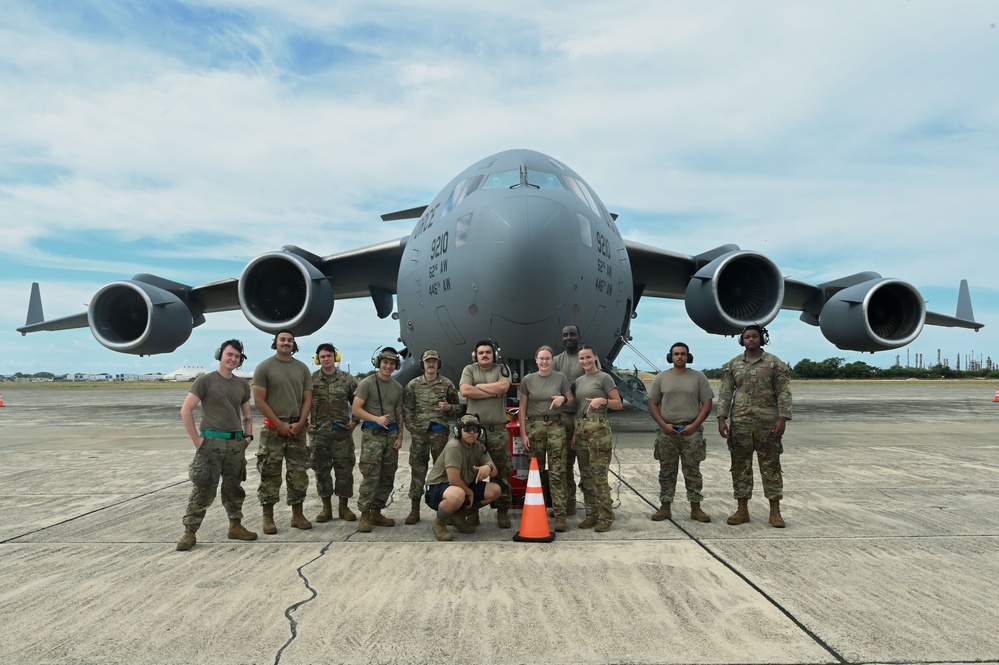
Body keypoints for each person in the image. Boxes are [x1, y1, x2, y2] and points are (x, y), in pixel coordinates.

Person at [176, 339, 257, 551]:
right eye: (229, 354)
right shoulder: (205, 381)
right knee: (203, 488)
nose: (233, 359)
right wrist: (197, 440)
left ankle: (235, 526)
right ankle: (189, 532)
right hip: (210, 443)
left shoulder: (241, 385)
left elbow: (247, 414)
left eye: (237, 356)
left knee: (234, 488)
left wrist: (247, 438)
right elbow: (186, 410)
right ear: (220, 355)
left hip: (235, 444)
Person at [717, 324, 792, 528]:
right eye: (747, 337)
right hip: (740, 423)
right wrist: (721, 418)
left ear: (762, 339)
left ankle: (775, 512)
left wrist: (783, 418)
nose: (751, 339)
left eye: (755, 336)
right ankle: (742, 510)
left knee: (771, 467)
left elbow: (784, 392)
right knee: (740, 467)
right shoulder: (733, 365)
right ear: (742, 340)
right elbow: (725, 393)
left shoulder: (774, 363)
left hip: (768, 423)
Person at [253, 330, 313, 534]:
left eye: (289, 340)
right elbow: (259, 400)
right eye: (282, 340)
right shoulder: (264, 367)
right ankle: (268, 518)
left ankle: (297, 515)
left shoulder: (302, 368)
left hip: (297, 428)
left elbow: (307, 398)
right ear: (275, 343)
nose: (286, 343)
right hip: (272, 429)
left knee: (298, 473)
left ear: (294, 344)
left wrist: (301, 422)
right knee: (270, 474)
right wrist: (278, 423)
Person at [647, 342, 714, 523]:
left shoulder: (698, 378)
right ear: (671, 356)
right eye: (676, 354)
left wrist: (694, 426)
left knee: (692, 471)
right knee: (666, 472)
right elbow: (652, 404)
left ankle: (696, 507)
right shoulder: (660, 378)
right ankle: (665, 507)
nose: (679, 357)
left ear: (688, 356)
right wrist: (663, 425)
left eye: (683, 354)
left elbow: (707, 404)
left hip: (691, 431)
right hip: (667, 431)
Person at [518, 345, 573, 532]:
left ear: (552, 360)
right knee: (536, 472)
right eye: (541, 358)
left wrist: (562, 400)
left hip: (556, 426)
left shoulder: (560, 378)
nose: (544, 361)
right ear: (536, 360)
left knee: (558, 472)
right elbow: (522, 408)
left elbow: (572, 399)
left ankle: (560, 515)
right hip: (534, 427)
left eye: (547, 358)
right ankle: (537, 509)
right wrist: (523, 434)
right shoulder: (528, 380)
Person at [459, 339, 513, 528]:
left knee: (502, 472)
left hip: (497, 430)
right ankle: (473, 512)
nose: (484, 355)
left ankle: (503, 511)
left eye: (488, 352)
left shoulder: (502, 369)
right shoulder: (469, 370)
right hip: (475, 432)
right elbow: (465, 390)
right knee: (472, 473)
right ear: (476, 355)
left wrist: (479, 387)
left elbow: (504, 388)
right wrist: (492, 391)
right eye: (481, 352)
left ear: (494, 354)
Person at [402, 349, 460, 525]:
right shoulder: (413, 385)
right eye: (428, 361)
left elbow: (458, 408)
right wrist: (412, 428)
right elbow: (407, 409)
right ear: (423, 364)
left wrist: (448, 407)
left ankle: (444, 510)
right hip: (419, 435)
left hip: (439, 434)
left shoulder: (447, 384)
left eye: (434, 361)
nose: (431, 364)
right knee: (417, 470)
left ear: (438, 364)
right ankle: (414, 510)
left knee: (442, 473)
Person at [352, 346, 405, 532]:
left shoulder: (397, 387)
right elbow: (356, 409)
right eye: (385, 362)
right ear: (378, 363)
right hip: (373, 435)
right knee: (371, 475)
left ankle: (376, 512)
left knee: (387, 476)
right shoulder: (367, 383)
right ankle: (364, 515)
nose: (388, 366)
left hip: (391, 436)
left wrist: (400, 437)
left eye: (392, 363)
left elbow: (399, 414)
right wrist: (376, 418)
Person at [423, 414, 500, 541]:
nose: (472, 432)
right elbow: (453, 479)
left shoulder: (478, 446)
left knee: (495, 490)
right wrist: (469, 492)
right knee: (457, 494)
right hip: (438, 488)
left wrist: (488, 467)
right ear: (458, 431)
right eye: (467, 428)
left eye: (475, 429)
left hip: (461, 486)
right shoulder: (454, 446)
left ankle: (458, 516)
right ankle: (439, 523)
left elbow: (494, 472)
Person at [573, 344, 623, 532]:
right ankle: (591, 513)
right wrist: (576, 434)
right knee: (585, 475)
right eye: (582, 358)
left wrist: (603, 401)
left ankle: (606, 516)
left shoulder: (604, 378)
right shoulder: (579, 381)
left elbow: (618, 404)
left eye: (588, 357)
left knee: (599, 475)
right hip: (582, 429)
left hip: (599, 431)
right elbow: (579, 409)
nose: (585, 361)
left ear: (595, 357)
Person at [308, 343, 359, 523]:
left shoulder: (347, 379)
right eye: (322, 357)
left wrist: (355, 422)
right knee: (321, 472)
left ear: (335, 357)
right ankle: (326, 508)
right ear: (317, 359)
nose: (326, 359)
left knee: (344, 471)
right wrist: (305, 424)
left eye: (329, 356)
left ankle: (344, 507)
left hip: (342, 435)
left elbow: (359, 402)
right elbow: (301, 403)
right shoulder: (310, 379)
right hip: (319, 435)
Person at [552, 325, 598, 516]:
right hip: (562, 418)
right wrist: (574, 384)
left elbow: (594, 382)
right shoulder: (556, 361)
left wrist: (568, 385)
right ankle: (568, 504)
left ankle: (592, 508)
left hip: (584, 417)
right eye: (565, 335)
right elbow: (552, 386)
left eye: (572, 334)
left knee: (587, 465)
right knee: (563, 465)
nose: (568, 338)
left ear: (579, 336)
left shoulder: (585, 358)